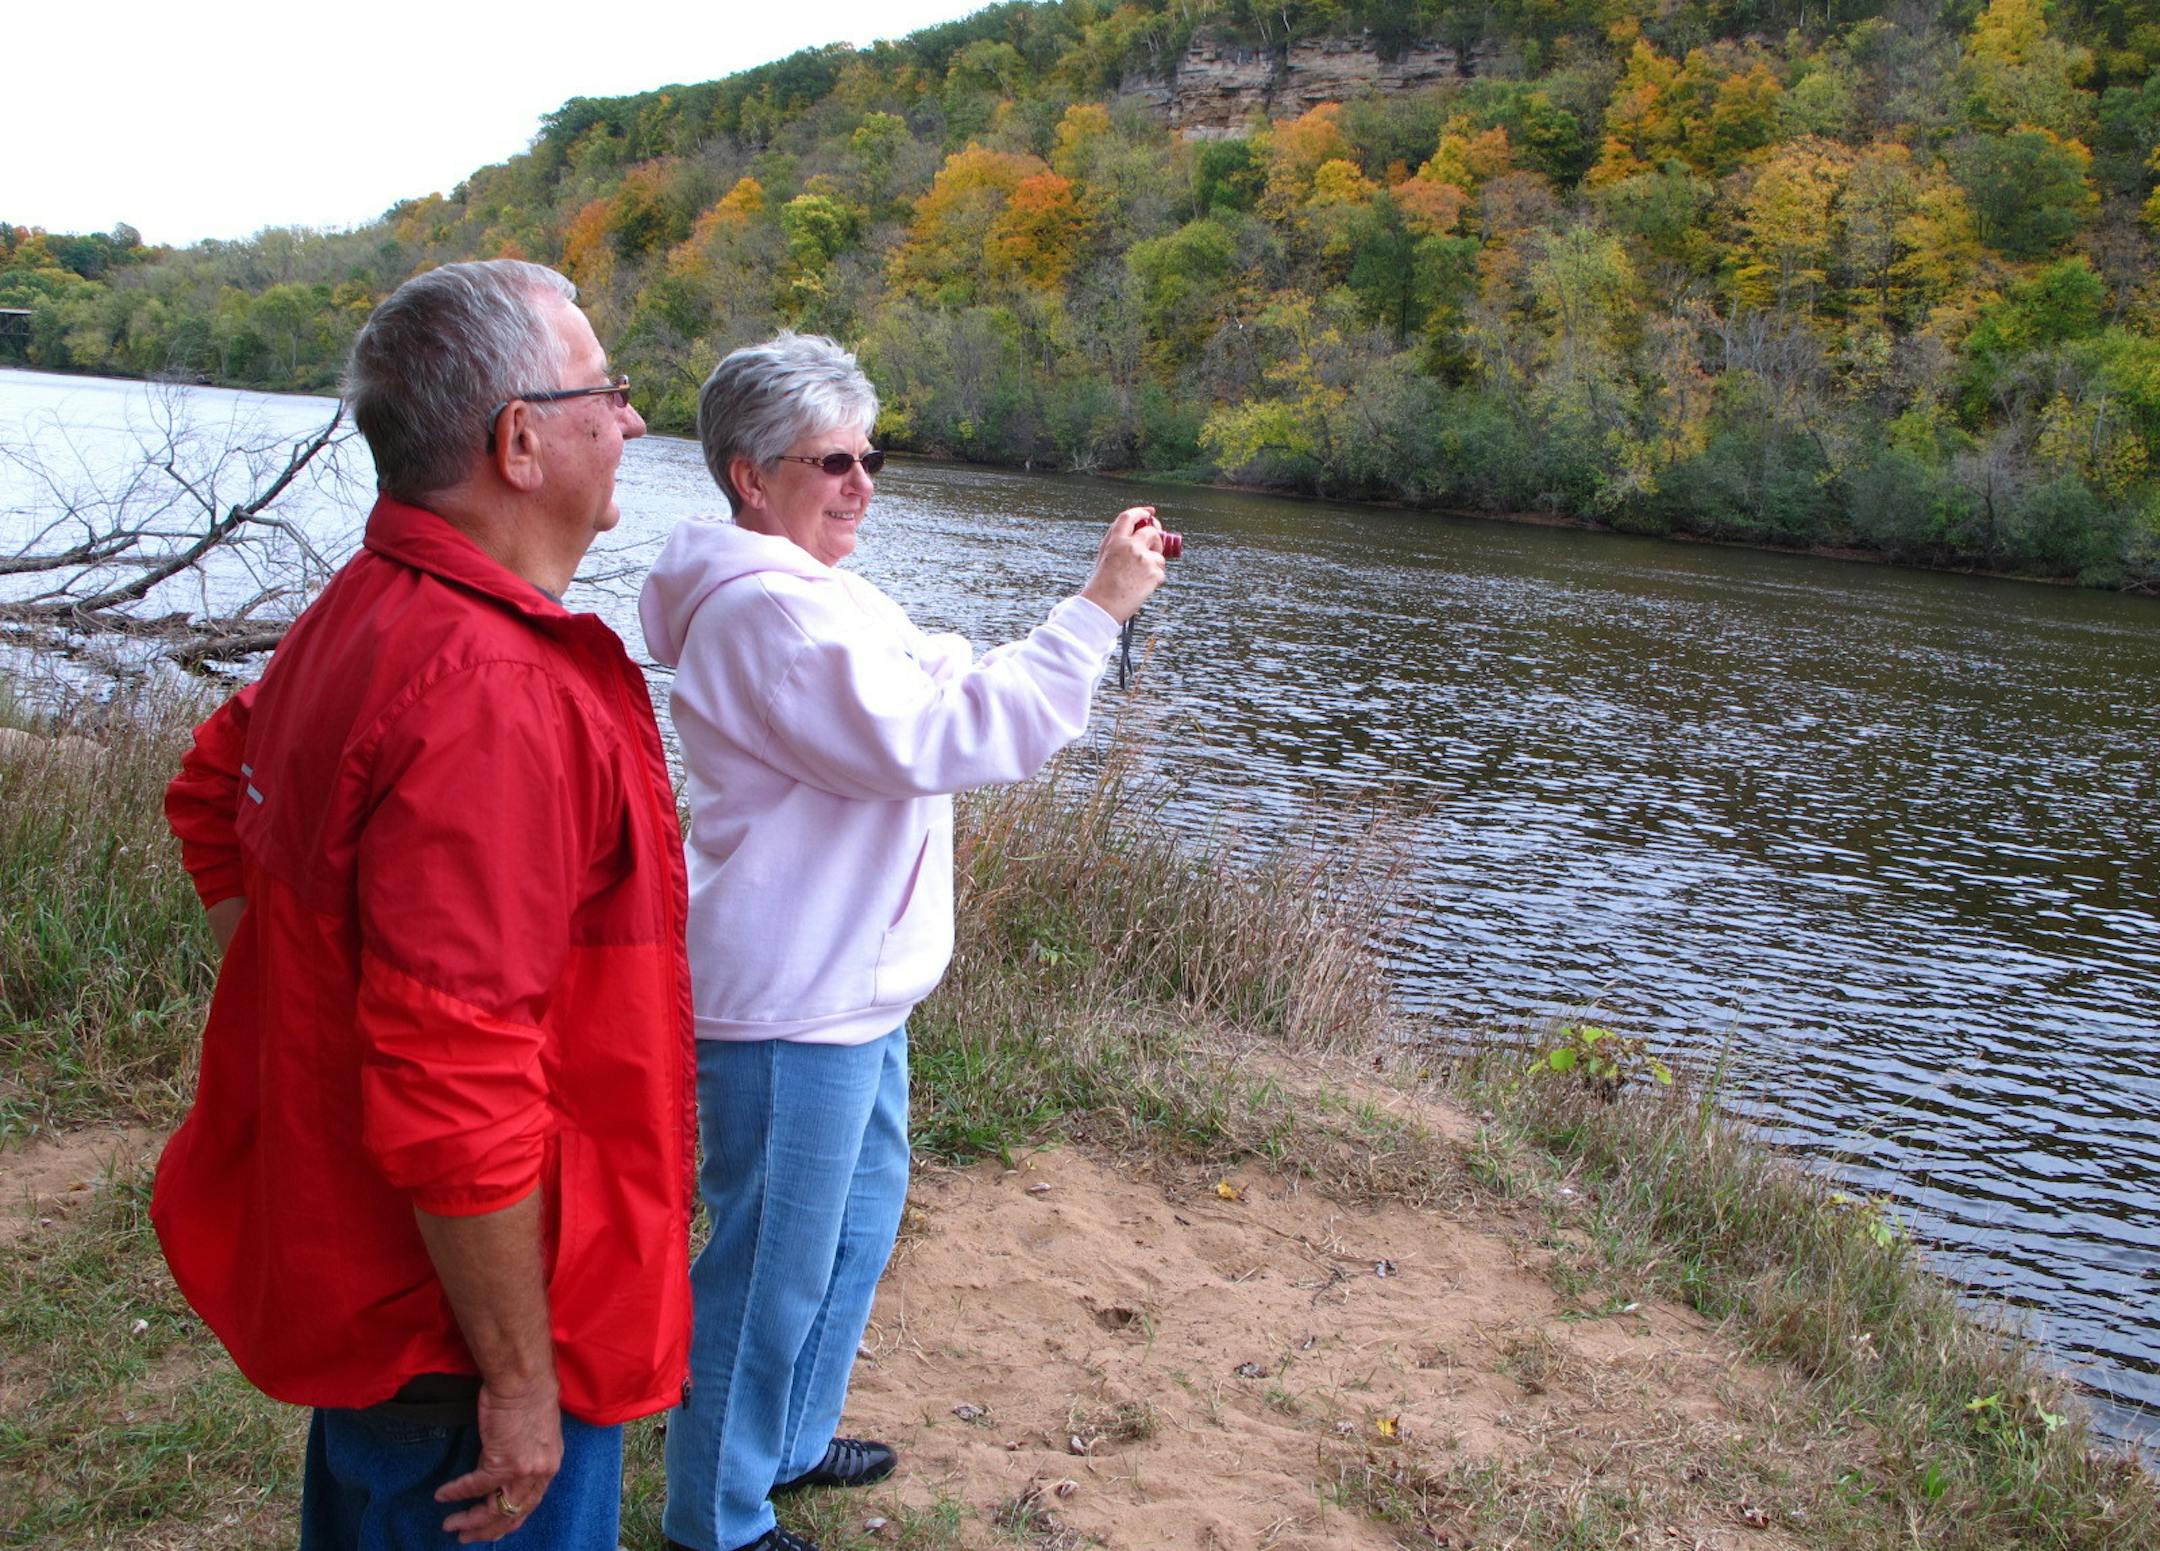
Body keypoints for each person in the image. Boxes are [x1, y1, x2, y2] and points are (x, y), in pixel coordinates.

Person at [157, 259, 696, 1549]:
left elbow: (206, 790)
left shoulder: (372, 607)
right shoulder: (489, 692)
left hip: (388, 1301)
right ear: (519, 441)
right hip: (457, 1342)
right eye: (607, 393)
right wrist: (518, 1382)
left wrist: (317, 1020)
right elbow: (456, 1084)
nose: (628, 421)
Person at [638, 332, 1166, 1551]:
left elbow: (924, 672)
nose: (860, 484)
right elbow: (933, 737)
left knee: (858, 1224)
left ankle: (789, 1439)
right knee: (769, 1272)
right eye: (829, 462)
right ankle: (715, 1518)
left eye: (868, 456)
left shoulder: (825, 588)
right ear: (747, 476)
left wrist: (963, 662)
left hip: (856, 989)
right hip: (793, 1002)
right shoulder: (769, 612)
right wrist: (1095, 611)